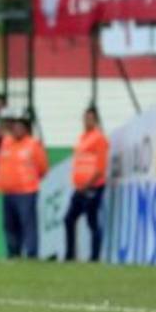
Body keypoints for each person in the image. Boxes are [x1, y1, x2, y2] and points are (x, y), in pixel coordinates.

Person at [0, 111, 48, 258]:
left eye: (20, 127)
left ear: (26, 130)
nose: (16, 130)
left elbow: (42, 168)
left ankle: (31, 254)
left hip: (26, 192)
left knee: (28, 225)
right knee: (9, 226)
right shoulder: (6, 142)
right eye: (14, 127)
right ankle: (13, 254)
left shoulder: (33, 145)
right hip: (8, 191)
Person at [63, 106, 108, 262]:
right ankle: (70, 255)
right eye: (85, 118)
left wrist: (88, 184)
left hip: (93, 186)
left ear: (96, 120)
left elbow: (100, 168)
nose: (87, 121)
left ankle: (94, 257)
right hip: (80, 187)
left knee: (92, 221)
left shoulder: (99, 138)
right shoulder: (82, 137)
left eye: (90, 118)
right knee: (69, 219)